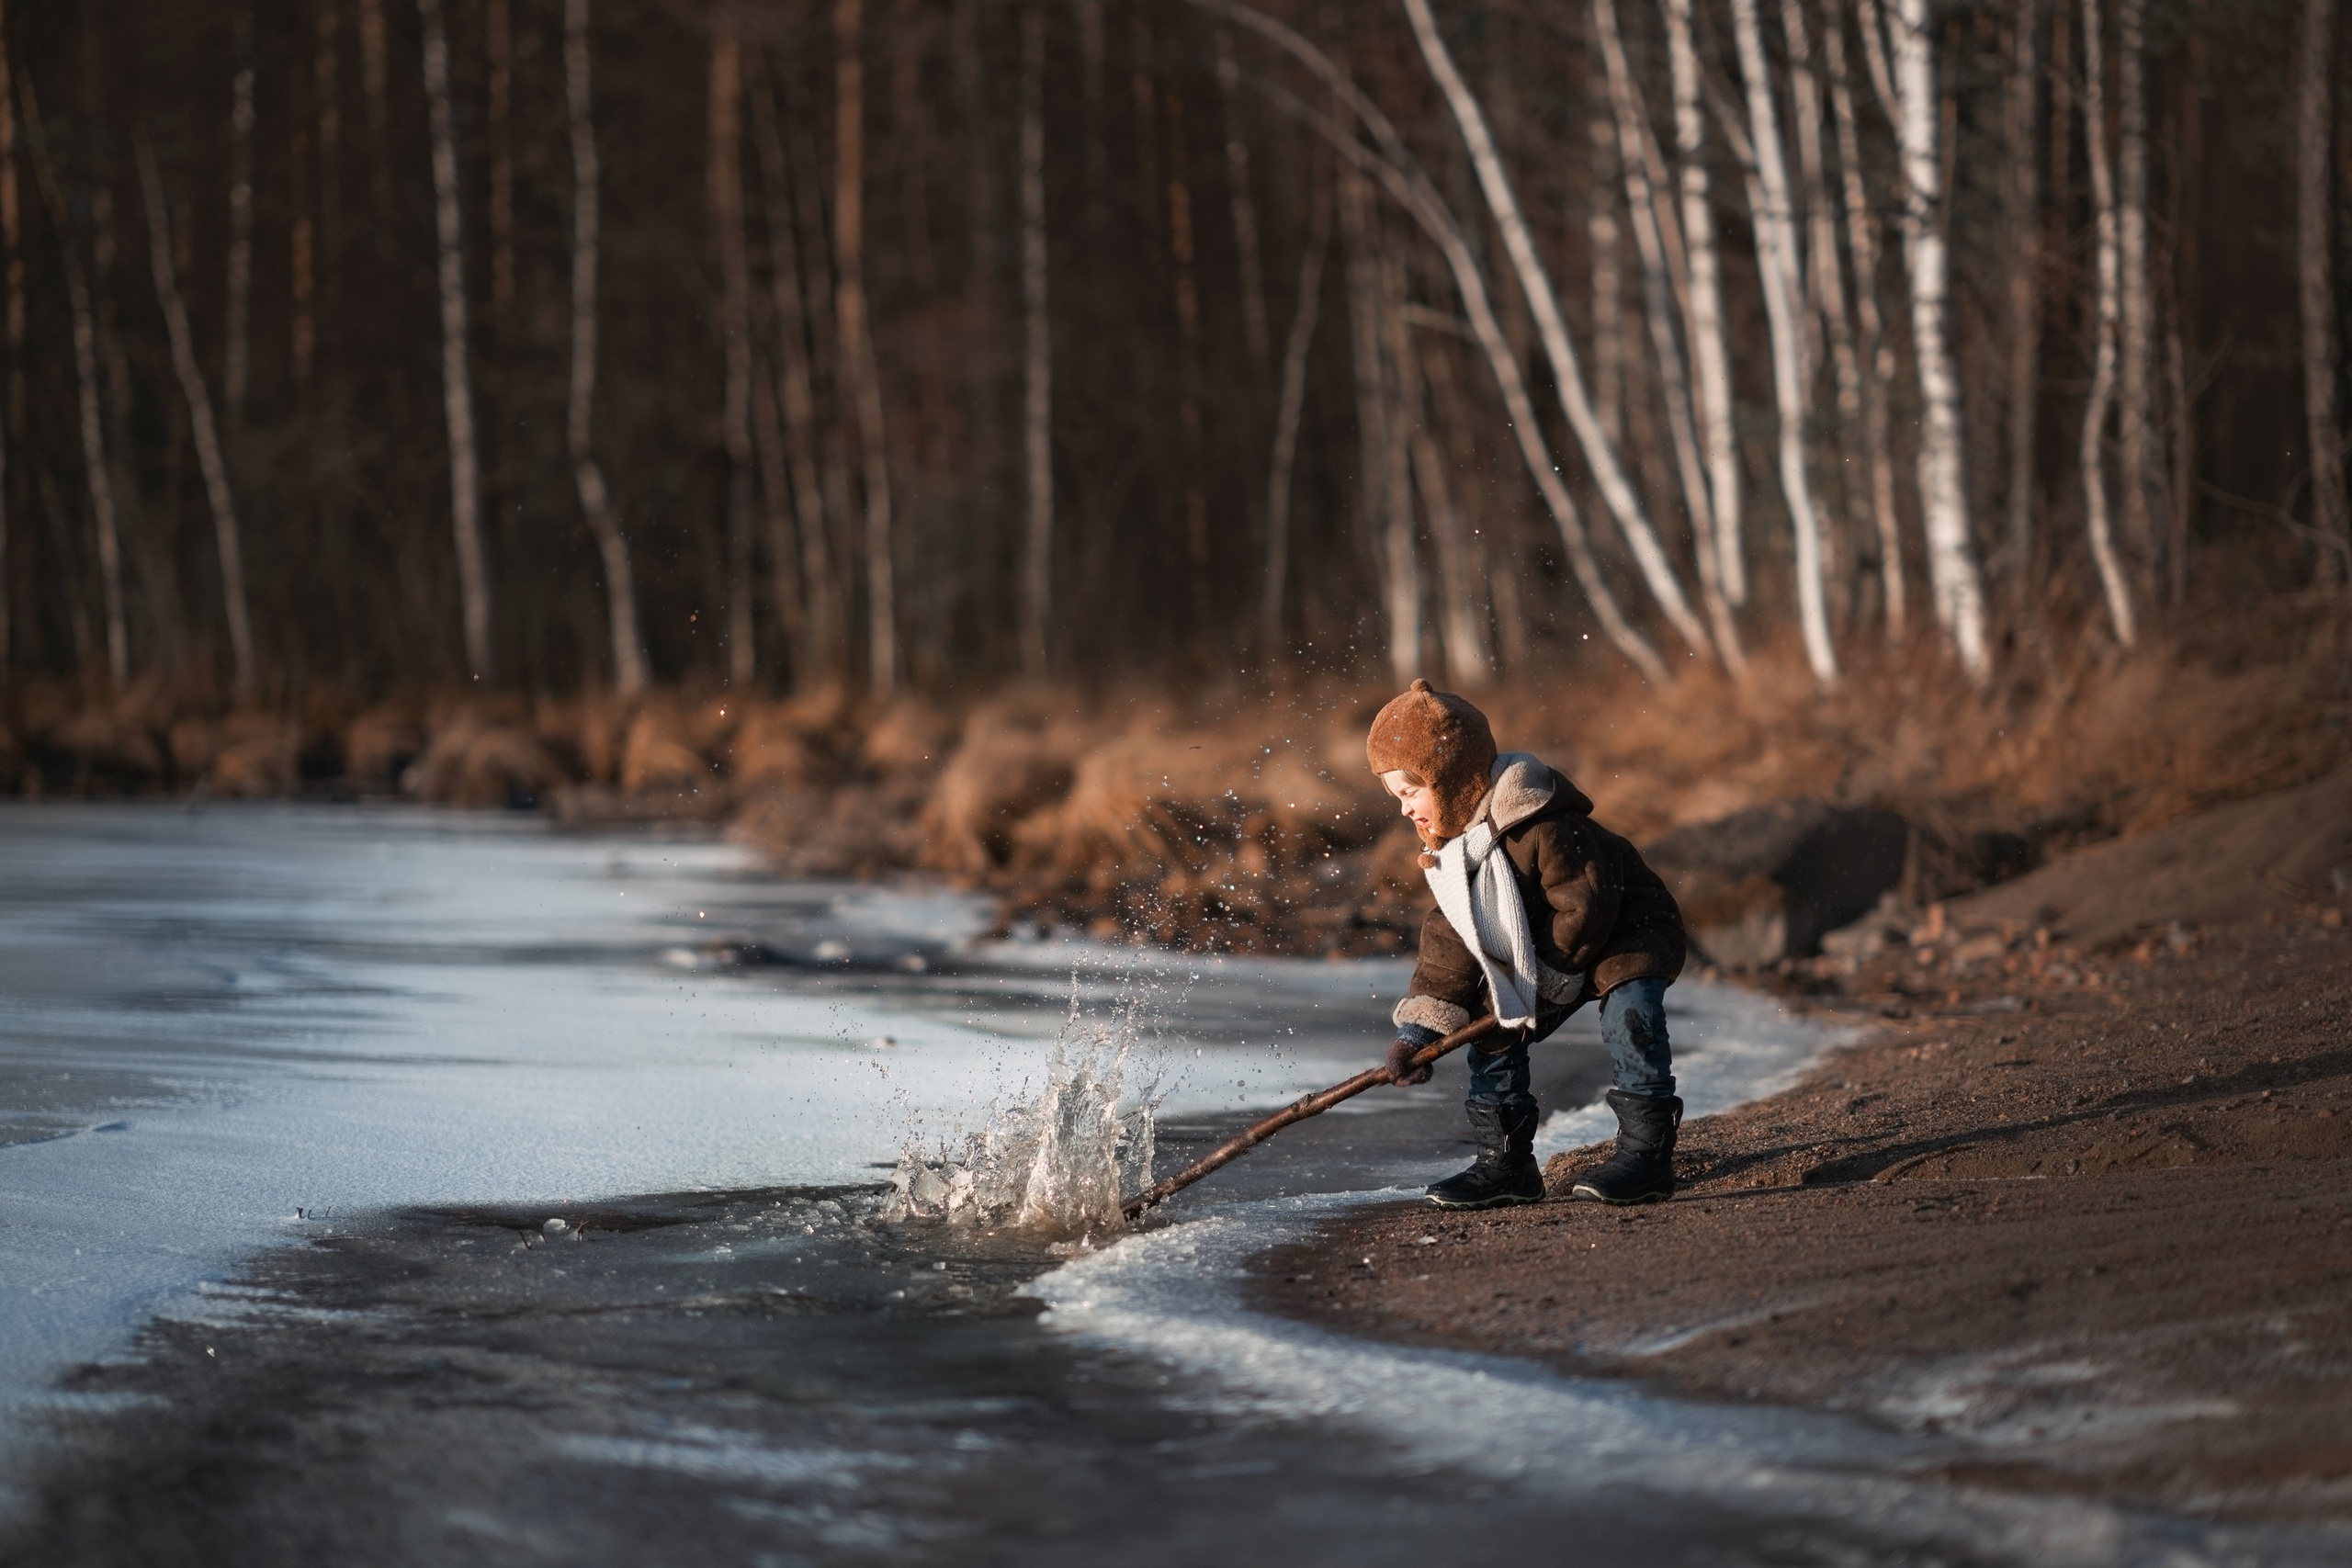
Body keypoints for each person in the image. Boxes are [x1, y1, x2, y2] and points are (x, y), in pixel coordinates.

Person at [1367, 680, 1688, 1208]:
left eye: (1410, 792)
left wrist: (1550, 980)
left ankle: (1646, 1156)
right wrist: (1420, 1031)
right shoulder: (1456, 854)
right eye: (1397, 798)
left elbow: (1585, 905)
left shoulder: (1542, 824)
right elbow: (1451, 940)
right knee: (1493, 1029)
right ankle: (1507, 1166)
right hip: (1546, 951)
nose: (1405, 810)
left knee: (1629, 1018)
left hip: (1627, 932)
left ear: (1449, 779)